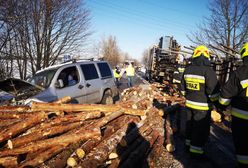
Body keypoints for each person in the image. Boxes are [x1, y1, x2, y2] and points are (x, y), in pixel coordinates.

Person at [180, 45, 219, 159]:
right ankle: (196, 152)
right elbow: (213, 92)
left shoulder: (188, 69)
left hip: (189, 104)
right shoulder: (208, 71)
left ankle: (187, 145)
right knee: (200, 129)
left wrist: (188, 96)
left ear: (195, 55)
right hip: (203, 107)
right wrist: (217, 104)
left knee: (190, 125)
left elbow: (182, 89)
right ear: (207, 56)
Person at [219, 42, 248, 168]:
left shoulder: (240, 72)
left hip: (242, 119)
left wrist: (221, 106)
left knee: (243, 146)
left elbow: (225, 95)